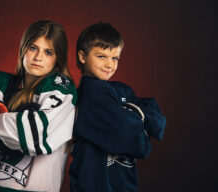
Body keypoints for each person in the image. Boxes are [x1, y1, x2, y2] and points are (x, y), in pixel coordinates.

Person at [0, 20, 77, 192]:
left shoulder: (63, 92)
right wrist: (10, 139)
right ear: (23, 48)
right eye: (33, 48)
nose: (38, 57)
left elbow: (36, 137)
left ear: (58, 58)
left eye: (48, 52)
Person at [69, 22, 166, 192]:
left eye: (114, 58)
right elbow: (137, 142)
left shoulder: (122, 90)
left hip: (125, 184)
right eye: (101, 56)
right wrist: (140, 121)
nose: (109, 64)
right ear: (83, 57)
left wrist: (137, 118)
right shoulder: (91, 93)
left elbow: (158, 120)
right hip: (94, 186)